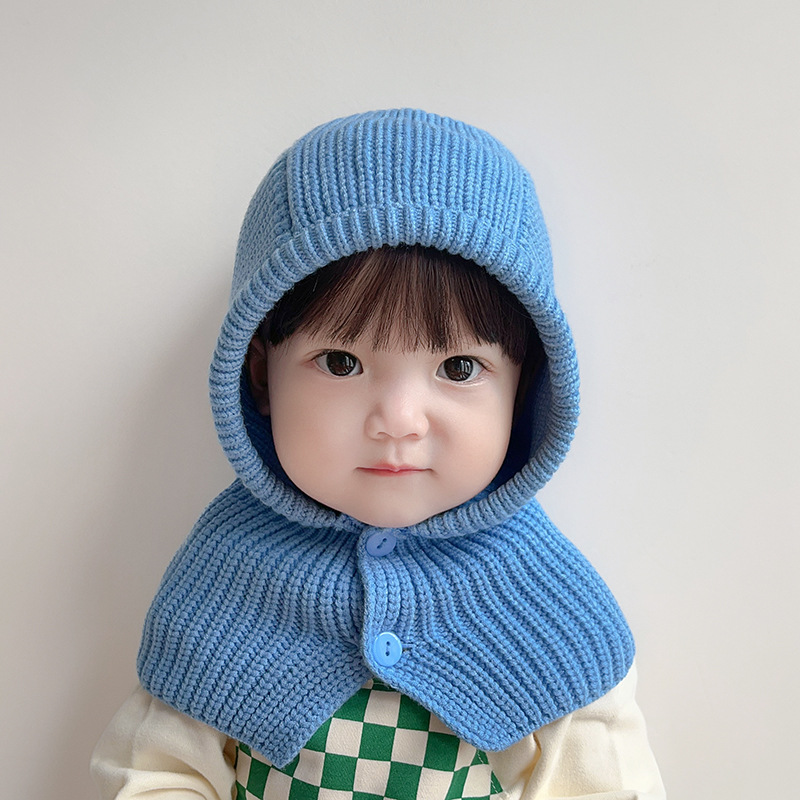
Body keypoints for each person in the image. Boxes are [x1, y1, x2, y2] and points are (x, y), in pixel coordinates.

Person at [91, 108, 665, 799]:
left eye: (458, 368)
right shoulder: (224, 574)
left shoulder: (539, 592)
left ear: (525, 390)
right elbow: (154, 772)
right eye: (341, 362)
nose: (398, 421)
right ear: (260, 375)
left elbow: (604, 783)